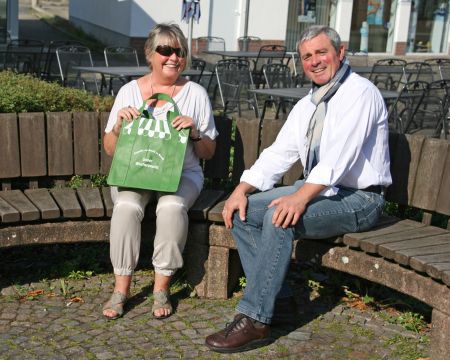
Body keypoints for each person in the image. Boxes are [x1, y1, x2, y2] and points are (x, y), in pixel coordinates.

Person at [205, 25, 392, 353]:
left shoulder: (360, 94)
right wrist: (241, 189)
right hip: (318, 188)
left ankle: (255, 319)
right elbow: (279, 153)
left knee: (280, 216)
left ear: (340, 52)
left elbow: (339, 160)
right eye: (307, 56)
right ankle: (284, 301)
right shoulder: (310, 103)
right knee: (243, 212)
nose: (315, 61)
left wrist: (300, 197)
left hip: (361, 198)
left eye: (322, 52)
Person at [102, 23, 217, 320]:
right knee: (126, 205)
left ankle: (161, 287)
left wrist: (194, 132)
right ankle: (121, 288)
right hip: (134, 173)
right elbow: (110, 150)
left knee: (171, 206)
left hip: (181, 175)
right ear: (150, 55)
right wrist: (117, 128)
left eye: (179, 51)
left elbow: (208, 153)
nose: (173, 57)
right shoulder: (129, 91)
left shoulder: (195, 94)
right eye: (165, 50)